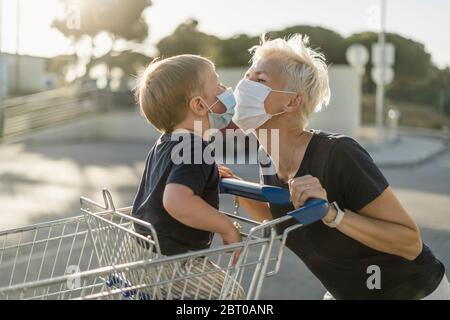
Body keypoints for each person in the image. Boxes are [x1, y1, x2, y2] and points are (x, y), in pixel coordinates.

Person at [220, 34, 450, 300]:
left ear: (293, 101)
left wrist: (332, 214)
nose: (244, 87)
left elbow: (409, 243)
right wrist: (234, 184)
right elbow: (280, 219)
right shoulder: (267, 156)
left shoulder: (339, 153)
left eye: (260, 80)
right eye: (247, 77)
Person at [132, 54, 244, 299]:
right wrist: (226, 227)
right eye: (217, 84)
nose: (225, 89)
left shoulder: (165, 143)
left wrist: (210, 171)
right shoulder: (196, 148)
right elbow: (176, 200)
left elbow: (168, 182)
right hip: (177, 263)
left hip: (145, 254)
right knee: (232, 296)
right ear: (199, 106)